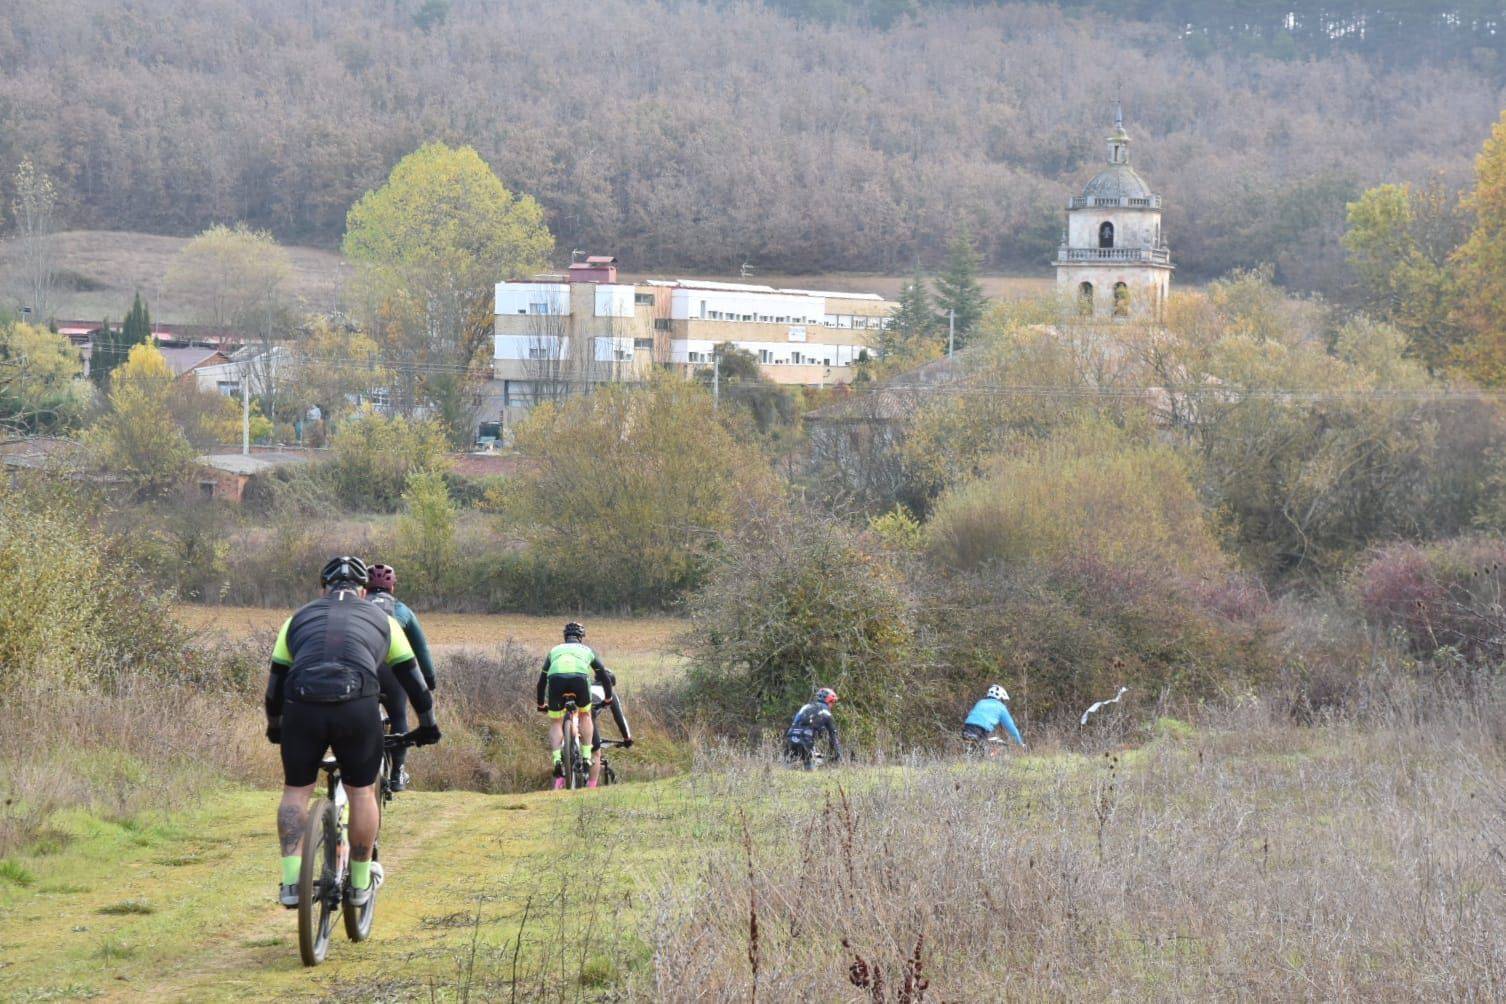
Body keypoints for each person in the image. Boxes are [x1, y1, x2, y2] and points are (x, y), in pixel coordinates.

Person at [265, 556, 441, 910]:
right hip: (356, 705)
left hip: (302, 705)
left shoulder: (296, 619)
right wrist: (428, 724)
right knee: (361, 793)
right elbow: (415, 682)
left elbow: (274, 688)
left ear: (323, 588)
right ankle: (360, 884)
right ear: (363, 591)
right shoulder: (385, 620)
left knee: (296, 792)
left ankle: (291, 883)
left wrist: (275, 726)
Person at [363, 562, 437, 793]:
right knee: (398, 715)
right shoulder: (401, 610)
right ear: (392, 587)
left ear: (364, 587)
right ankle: (398, 773)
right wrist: (429, 679)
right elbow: (421, 648)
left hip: (362, 668)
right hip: (392, 672)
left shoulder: (357, 607)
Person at [535, 622, 616, 789]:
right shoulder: (587, 650)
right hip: (579, 679)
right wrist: (608, 698)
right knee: (585, 715)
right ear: (581, 638)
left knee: (556, 722)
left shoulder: (554, 651)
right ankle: (586, 757)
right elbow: (604, 676)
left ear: (565, 637)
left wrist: (541, 703)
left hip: (556, 680)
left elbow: (541, 682)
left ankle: (557, 759)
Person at [587, 680, 633, 786]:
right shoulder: (610, 692)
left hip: (573, 710)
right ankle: (591, 788)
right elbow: (620, 719)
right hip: (588, 715)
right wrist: (627, 739)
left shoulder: (588, 686)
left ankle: (560, 781)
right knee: (596, 752)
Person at [785, 687, 842, 769]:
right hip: (805, 739)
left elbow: (795, 721)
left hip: (790, 736)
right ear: (829, 701)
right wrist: (838, 755)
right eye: (832, 703)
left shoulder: (806, 707)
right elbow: (833, 736)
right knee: (813, 765)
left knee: (787, 767)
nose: (832, 705)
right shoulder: (826, 713)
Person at [963, 684, 1025, 749]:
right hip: (980, 731)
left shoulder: (980, 702)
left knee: (974, 749)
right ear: (1000, 697)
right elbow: (1011, 727)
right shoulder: (1001, 707)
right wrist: (1020, 743)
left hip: (966, 728)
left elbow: (971, 715)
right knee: (997, 745)